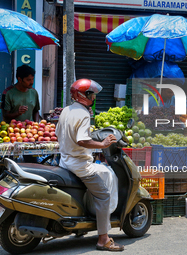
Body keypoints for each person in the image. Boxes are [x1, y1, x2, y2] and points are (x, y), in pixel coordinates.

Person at [55, 79, 124, 251]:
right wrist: (103, 144)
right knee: (103, 195)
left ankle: (82, 227)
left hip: (64, 161)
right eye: (91, 94)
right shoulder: (84, 114)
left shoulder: (66, 110)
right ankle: (103, 239)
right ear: (83, 95)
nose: (94, 97)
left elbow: (59, 133)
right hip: (80, 165)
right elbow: (82, 140)